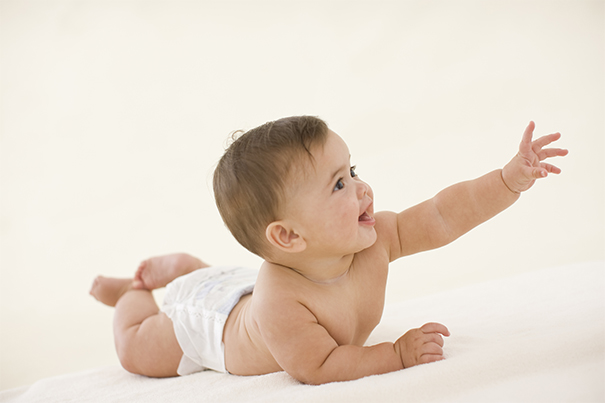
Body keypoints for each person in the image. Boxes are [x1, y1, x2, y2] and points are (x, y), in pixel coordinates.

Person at [90, 116, 568, 385]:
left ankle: (191, 269)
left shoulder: (374, 238)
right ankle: (133, 293)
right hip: (209, 325)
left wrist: (508, 181)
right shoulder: (281, 299)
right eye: (340, 184)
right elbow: (317, 365)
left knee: (227, 285)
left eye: (353, 170)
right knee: (136, 350)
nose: (362, 189)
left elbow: (442, 214)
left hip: (236, 289)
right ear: (290, 238)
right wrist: (395, 355)